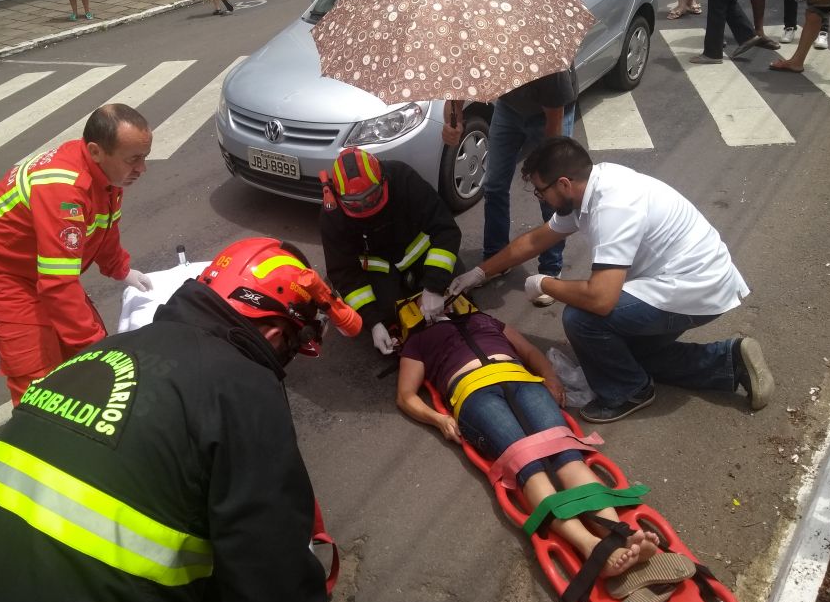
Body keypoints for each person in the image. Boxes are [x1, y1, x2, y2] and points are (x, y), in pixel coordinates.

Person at [0, 238, 346, 602]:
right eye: (290, 345)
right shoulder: (243, 386)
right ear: (274, 332)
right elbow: (278, 597)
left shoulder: (102, 353)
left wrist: (210, 600)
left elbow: (165, 496)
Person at [449, 136, 775, 423]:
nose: (539, 197)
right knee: (624, 355)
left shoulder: (614, 206)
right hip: (684, 278)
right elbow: (535, 241)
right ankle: (729, 360)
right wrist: (478, 273)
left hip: (694, 287)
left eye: (540, 190)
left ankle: (627, 391)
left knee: (583, 318)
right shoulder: (588, 188)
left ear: (563, 184)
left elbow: (600, 299)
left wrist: (544, 284)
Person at [396, 310, 661, 579]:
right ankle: (589, 546)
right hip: (473, 392)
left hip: (523, 381)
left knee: (565, 452)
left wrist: (550, 377)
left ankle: (617, 534)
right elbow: (406, 395)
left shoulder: (484, 319)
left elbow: (530, 351)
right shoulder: (418, 340)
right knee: (526, 463)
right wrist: (439, 419)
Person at [0, 103, 154, 407]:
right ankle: (35, 440)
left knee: (75, 350)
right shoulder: (65, 192)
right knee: (37, 373)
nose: (142, 169)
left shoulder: (106, 173)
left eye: (144, 157)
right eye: (134, 159)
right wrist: (96, 347)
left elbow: (102, 226)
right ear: (96, 151)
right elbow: (58, 285)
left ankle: (77, 412)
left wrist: (120, 268)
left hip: (33, 266)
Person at [444, 66, 577, 306]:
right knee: (494, 185)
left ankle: (550, 268)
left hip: (550, 111)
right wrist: (454, 120)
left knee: (551, 192)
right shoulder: (478, 40)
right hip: (509, 106)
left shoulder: (548, 60)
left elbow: (553, 130)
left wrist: (546, 167)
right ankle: (496, 261)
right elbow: (459, 78)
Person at [320, 146, 461, 355]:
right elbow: (344, 272)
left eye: (370, 197)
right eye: (355, 203)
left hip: (417, 254)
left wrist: (434, 285)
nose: (364, 206)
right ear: (337, 196)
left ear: (383, 180)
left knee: (454, 282)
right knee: (388, 314)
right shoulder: (332, 215)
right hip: (378, 270)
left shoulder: (403, 179)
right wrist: (373, 323)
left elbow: (446, 229)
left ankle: (423, 287)